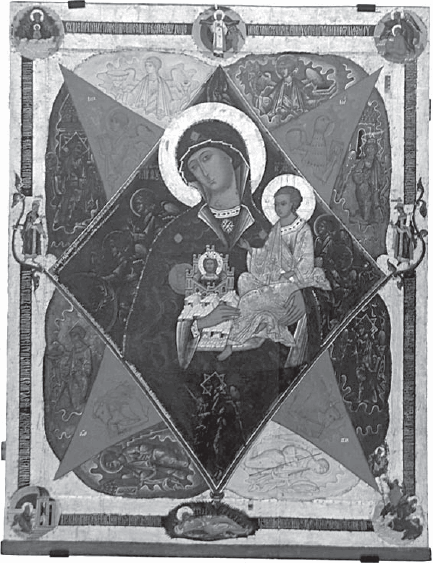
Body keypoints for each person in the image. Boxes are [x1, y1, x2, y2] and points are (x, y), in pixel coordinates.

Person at [124, 119, 320, 479]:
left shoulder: (272, 231)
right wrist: (197, 325)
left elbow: (305, 296)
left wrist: (304, 306)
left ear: (235, 158)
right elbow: (144, 330)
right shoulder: (176, 235)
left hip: (263, 382)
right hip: (194, 387)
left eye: (207, 157)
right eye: (193, 166)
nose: (201, 171)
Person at [216, 186, 330, 361]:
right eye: (276, 204)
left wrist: (289, 275)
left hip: (294, 283)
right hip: (275, 279)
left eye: (283, 204)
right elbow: (268, 254)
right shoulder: (277, 228)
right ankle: (260, 324)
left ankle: (232, 342)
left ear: (293, 204)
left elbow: (305, 264)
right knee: (244, 279)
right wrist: (251, 250)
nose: (278, 208)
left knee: (248, 300)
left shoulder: (303, 230)